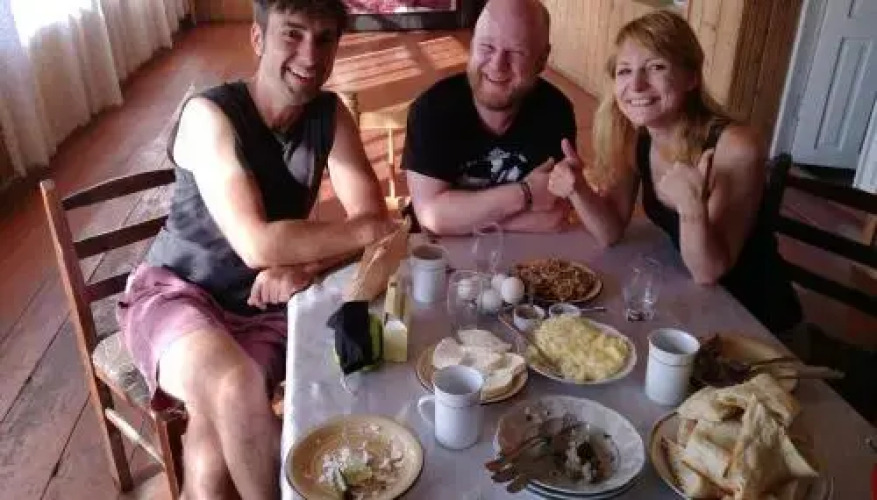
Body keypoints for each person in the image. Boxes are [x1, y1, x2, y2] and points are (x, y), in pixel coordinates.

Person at [117, 0, 395, 497]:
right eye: (293, 34)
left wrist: (308, 264)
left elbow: (374, 222)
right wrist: (365, 232)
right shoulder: (208, 115)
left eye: (325, 39)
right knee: (235, 386)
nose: (310, 55)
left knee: (214, 434)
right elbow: (258, 243)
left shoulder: (330, 114)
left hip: (262, 307)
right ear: (258, 38)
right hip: (178, 292)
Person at [547, 10, 801, 333]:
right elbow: (610, 232)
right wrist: (578, 189)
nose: (636, 85)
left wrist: (692, 208)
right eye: (624, 71)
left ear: (691, 77)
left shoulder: (736, 146)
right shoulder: (636, 137)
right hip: (694, 306)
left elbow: (708, 271)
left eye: (656, 67)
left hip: (756, 321)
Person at [402, 0, 577, 235]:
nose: (497, 65)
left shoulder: (555, 111)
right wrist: (526, 192)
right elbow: (432, 217)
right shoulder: (432, 110)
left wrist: (461, 221)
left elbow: (554, 215)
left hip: (522, 252)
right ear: (472, 44)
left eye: (516, 52)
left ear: (542, 59)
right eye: (487, 47)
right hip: (439, 251)